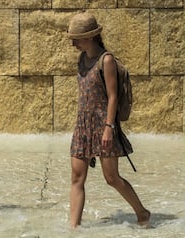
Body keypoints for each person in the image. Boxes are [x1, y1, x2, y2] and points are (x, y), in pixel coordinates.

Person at [67, 12, 150, 228]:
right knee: (77, 177)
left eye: (77, 38)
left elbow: (113, 96)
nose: (73, 43)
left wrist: (108, 128)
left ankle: (142, 212)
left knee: (112, 178)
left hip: (104, 124)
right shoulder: (82, 58)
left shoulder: (107, 60)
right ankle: (73, 228)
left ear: (90, 36)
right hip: (83, 124)